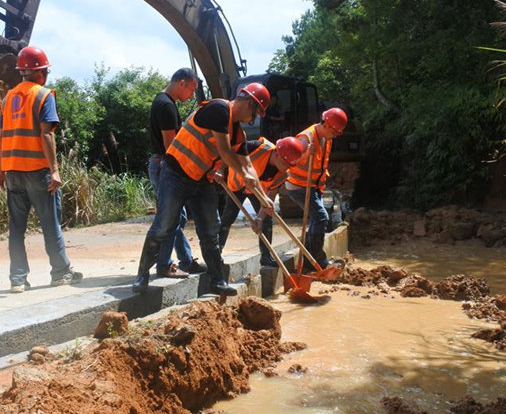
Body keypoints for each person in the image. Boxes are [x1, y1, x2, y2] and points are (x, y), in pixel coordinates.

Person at [132, 82, 274, 296]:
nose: (253, 119)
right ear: (247, 102)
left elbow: (248, 167)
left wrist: (264, 198)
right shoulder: (219, 109)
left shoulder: (239, 135)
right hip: (176, 173)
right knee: (163, 226)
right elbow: (226, 153)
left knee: (210, 231)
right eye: (256, 112)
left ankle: (217, 281)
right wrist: (245, 176)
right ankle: (142, 276)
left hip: (201, 180)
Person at [0, 46, 82, 293]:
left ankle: (17, 279)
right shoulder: (43, 96)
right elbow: (46, 133)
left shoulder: (8, 97)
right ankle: (60, 273)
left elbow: (2, 136)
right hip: (37, 170)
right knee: (50, 224)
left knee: (16, 229)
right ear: (42, 71)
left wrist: (1, 169)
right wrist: (54, 170)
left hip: (12, 170)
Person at [148, 68, 205, 279]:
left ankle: (186, 261)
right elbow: (169, 144)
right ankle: (164, 264)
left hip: (160, 163)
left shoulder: (163, 102)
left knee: (176, 216)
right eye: (192, 88)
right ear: (182, 83)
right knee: (173, 217)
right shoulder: (166, 105)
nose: (191, 94)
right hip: (165, 165)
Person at [217, 136, 304, 266]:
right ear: (277, 154)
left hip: (258, 192)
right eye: (285, 164)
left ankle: (266, 257)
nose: (287, 168)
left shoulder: (283, 174)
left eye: (289, 165)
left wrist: (259, 219)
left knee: (267, 219)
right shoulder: (256, 147)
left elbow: (270, 198)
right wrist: (219, 169)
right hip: (236, 186)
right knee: (228, 217)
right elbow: (229, 152)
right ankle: (216, 254)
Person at [284, 107, 348, 269]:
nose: (335, 135)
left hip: (313, 186)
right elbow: (290, 161)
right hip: (298, 186)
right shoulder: (307, 138)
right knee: (321, 217)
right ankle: (318, 259)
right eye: (334, 132)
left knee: (316, 219)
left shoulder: (326, 138)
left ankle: (308, 261)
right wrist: (306, 154)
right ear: (326, 125)